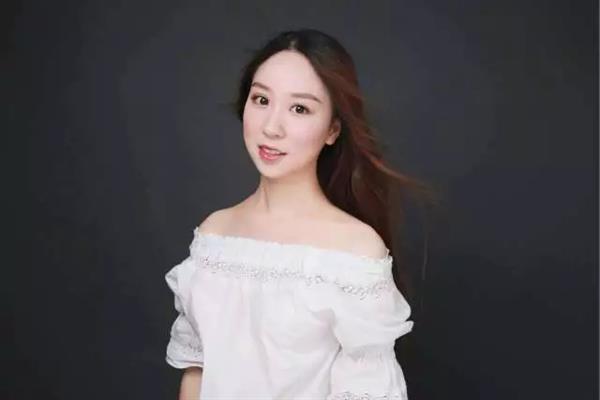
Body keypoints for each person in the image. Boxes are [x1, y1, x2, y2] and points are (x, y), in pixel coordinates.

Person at [165, 28, 435, 400]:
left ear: (333, 129)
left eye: (300, 109)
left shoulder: (354, 251)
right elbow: (197, 373)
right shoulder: (215, 235)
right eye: (261, 100)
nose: (271, 127)